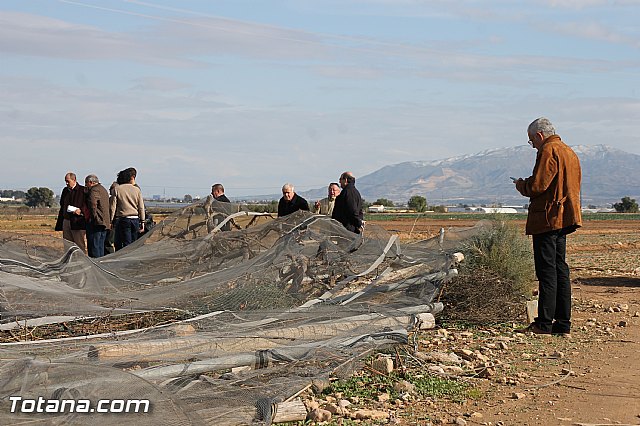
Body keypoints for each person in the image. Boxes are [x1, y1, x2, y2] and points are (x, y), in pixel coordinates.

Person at [514, 117, 582, 337]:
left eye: (531, 140)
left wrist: (522, 185)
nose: (532, 144)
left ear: (539, 136)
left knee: (547, 272)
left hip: (547, 219)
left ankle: (543, 323)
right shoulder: (569, 151)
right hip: (565, 218)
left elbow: (538, 185)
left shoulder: (548, 150)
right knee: (560, 269)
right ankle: (563, 324)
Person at [110, 168, 145, 250]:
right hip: (135, 219)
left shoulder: (117, 189)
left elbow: (113, 207)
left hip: (122, 219)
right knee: (133, 243)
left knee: (122, 243)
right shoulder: (137, 190)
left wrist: (111, 220)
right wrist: (142, 221)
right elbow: (141, 207)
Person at [54, 172, 88, 253]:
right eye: (65, 181)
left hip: (78, 222)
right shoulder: (65, 190)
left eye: (68, 181)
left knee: (79, 245)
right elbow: (62, 204)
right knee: (68, 245)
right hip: (66, 220)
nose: (66, 183)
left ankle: (81, 262)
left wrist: (81, 211)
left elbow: (88, 205)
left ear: (74, 180)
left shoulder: (83, 190)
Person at [84, 174, 111, 258]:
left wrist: (93, 218)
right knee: (100, 246)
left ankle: (95, 265)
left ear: (91, 182)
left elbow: (93, 206)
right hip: (104, 222)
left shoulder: (94, 190)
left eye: (86, 183)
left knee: (94, 246)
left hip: (96, 223)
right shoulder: (103, 189)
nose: (85, 185)